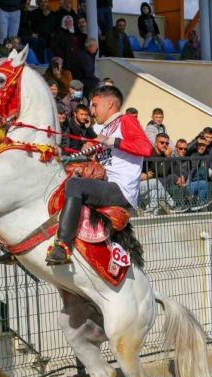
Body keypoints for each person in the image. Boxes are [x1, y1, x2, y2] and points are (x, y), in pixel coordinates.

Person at [45, 85, 151, 265]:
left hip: (119, 189)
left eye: (95, 105)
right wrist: (89, 149)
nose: (92, 111)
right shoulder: (106, 129)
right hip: (106, 185)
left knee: (75, 186)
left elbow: (146, 148)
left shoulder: (125, 121)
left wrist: (113, 141)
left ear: (109, 104)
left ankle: (63, 245)